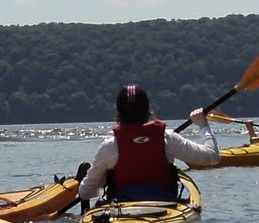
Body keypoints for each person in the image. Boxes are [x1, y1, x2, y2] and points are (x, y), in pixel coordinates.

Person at [78, 84, 221, 202]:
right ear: (148, 109)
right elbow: (212, 157)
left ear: (117, 111)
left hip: (121, 211)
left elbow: (85, 193)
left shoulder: (109, 146)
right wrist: (203, 125)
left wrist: (103, 181)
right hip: (164, 208)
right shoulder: (168, 139)